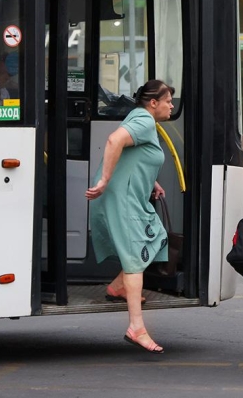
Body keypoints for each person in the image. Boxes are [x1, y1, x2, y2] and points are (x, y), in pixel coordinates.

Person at [85, 79, 173, 354]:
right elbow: (115, 141)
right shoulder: (144, 121)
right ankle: (136, 327)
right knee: (135, 256)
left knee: (157, 237)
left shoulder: (144, 120)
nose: (172, 105)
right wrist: (105, 180)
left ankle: (117, 287)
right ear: (153, 103)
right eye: (168, 101)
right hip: (122, 199)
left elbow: (136, 157)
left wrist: (152, 183)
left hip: (129, 196)